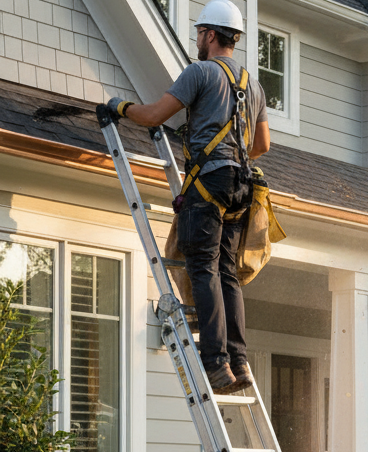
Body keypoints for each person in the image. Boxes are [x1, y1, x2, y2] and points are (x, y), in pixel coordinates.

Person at [107, 0, 270, 393]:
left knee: (203, 268)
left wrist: (119, 106)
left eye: (200, 33)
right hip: (240, 188)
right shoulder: (253, 83)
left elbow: (151, 116)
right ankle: (239, 362)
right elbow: (261, 143)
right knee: (227, 272)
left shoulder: (199, 72)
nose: (197, 39)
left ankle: (215, 363)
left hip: (208, 187)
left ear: (211, 35)